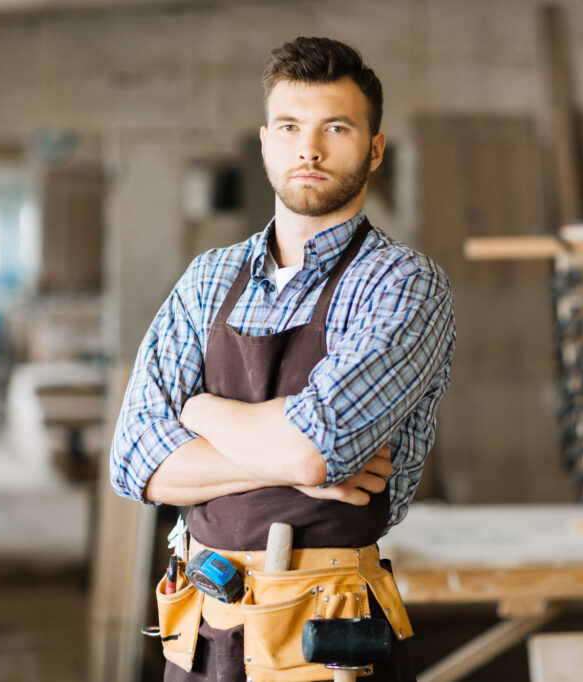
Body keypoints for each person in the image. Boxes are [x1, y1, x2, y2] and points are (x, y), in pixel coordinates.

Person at [109, 36, 455, 682]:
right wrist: (294, 469)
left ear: (374, 149)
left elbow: (313, 449)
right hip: (205, 633)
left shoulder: (403, 286)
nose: (310, 149)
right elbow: (134, 459)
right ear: (266, 141)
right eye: (291, 127)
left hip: (327, 642)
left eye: (337, 128)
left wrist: (198, 408)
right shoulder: (209, 279)